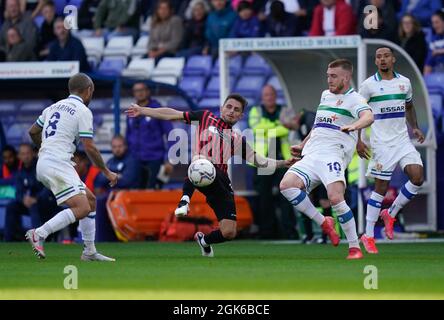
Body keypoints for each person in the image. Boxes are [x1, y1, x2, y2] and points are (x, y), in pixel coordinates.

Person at [126, 94, 296, 257]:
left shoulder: (237, 139)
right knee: (201, 160)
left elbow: (259, 160)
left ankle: (204, 240)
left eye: (236, 109)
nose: (231, 111)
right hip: (202, 168)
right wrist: (144, 110)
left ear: (240, 116)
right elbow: (172, 114)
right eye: (228, 107)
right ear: (221, 108)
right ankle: (184, 200)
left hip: (221, 182)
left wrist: (282, 163)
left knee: (229, 232)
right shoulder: (205, 117)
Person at [280, 59, 374, 260]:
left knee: (335, 198)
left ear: (346, 78)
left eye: (333, 76)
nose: (329, 80)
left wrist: (355, 127)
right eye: (328, 75)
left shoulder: (355, 99)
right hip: (312, 153)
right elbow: (318, 125)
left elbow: (368, 117)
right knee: (287, 186)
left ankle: (354, 248)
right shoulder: (325, 95)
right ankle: (323, 222)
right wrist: (303, 144)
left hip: (333, 154)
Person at [26, 73, 118, 261]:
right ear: (89, 89)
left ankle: (89, 251)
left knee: (91, 201)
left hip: (47, 161)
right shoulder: (82, 110)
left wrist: (44, 147)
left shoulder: (52, 107)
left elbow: (33, 131)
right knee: (82, 208)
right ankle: (39, 234)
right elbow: (89, 146)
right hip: (58, 163)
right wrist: (107, 172)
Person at [358, 47, 425, 254]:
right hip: (381, 145)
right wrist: (359, 140)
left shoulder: (404, 82)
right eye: (379, 57)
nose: (383, 59)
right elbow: (358, 113)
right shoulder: (368, 86)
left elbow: (409, 106)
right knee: (381, 188)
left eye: (386, 56)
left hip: (402, 141)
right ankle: (368, 235)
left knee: (417, 177)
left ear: (393, 59)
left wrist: (414, 127)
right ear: (376, 62)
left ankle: (391, 212)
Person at [248, 85, 296, 239]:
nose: (269, 97)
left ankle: (289, 232)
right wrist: (279, 126)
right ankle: (266, 232)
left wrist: (272, 128)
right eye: (266, 95)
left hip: (284, 160)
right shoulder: (256, 111)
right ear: (262, 97)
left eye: (271, 94)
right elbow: (257, 129)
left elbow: (288, 129)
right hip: (263, 161)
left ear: (275, 96)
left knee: (287, 195)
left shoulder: (285, 110)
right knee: (264, 198)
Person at [4, 143, 58, 242]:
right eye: (23, 154)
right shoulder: (20, 172)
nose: (26, 156)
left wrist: (36, 198)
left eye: (28, 153)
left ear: (33, 153)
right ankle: (10, 240)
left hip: (46, 202)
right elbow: (18, 192)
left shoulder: (41, 167)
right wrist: (23, 199)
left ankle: (38, 239)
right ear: (19, 156)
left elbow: (48, 187)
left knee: (34, 206)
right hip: (29, 202)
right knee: (11, 206)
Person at [126, 82, 174, 189]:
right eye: (136, 91)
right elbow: (128, 135)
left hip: (154, 159)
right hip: (135, 159)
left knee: (152, 192)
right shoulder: (131, 111)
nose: (140, 93)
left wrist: (169, 160)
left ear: (148, 91)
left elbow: (171, 134)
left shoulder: (157, 109)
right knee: (136, 192)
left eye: (142, 90)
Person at [424, 11, 444, 75]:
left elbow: (434, 52)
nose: (434, 26)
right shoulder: (434, 39)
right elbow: (428, 62)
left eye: (437, 22)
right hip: (438, 75)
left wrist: (438, 51)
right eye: (433, 23)